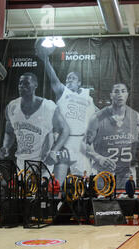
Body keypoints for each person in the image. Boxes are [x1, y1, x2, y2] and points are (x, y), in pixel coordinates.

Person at [36, 43, 98, 181]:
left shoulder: (88, 97)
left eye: (72, 79)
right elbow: (53, 79)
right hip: (64, 140)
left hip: (81, 141)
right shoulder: (63, 92)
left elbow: (98, 115)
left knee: (84, 181)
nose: (69, 80)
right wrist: (45, 60)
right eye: (67, 79)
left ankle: (78, 201)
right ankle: (55, 200)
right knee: (57, 179)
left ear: (79, 83)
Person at [0, 72, 70, 179]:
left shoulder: (48, 107)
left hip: (43, 161)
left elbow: (65, 130)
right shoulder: (12, 107)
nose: (22, 86)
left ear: (35, 85)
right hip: (22, 161)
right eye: (20, 83)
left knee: (41, 193)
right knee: (24, 193)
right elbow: (9, 132)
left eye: (26, 83)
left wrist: (54, 151)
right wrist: (6, 146)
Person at [82, 83, 139, 189]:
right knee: (102, 205)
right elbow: (84, 144)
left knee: (127, 204)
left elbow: (134, 141)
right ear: (111, 95)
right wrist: (99, 158)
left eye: (123, 91)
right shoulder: (97, 118)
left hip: (127, 173)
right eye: (116, 91)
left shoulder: (135, 116)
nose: (120, 94)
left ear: (127, 94)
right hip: (103, 173)